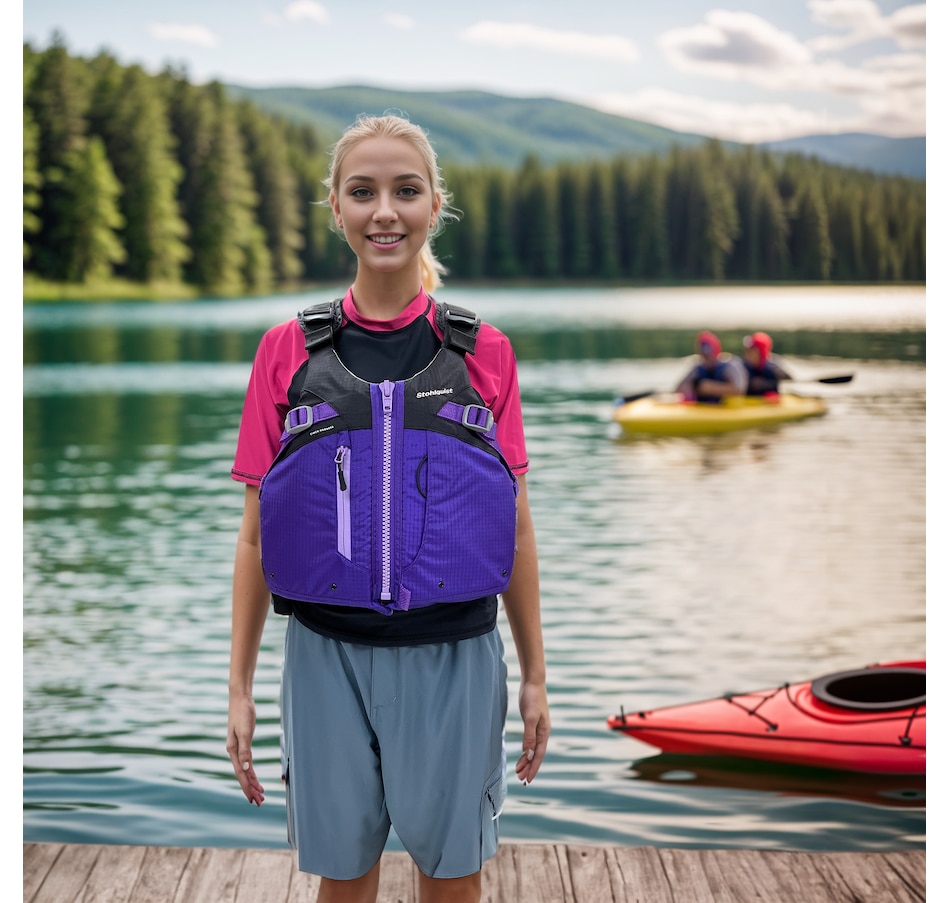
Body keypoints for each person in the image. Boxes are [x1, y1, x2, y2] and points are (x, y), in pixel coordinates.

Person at [226, 113, 550, 903]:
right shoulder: (285, 351)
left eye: (406, 191)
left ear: (434, 205)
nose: (384, 212)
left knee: (452, 878)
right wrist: (238, 686)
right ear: (335, 206)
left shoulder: (485, 351)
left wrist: (536, 675)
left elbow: (514, 521)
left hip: (455, 653)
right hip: (324, 656)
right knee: (341, 881)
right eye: (362, 191)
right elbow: (256, 536)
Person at [674, 330, 747, 402]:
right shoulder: (698, 368)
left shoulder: (729, 366)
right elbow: (678, 389)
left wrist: (710, 388)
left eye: (708, 354)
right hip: (704, 407)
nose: (706, 358)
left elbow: (740, 390)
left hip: (726, 407)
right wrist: (694, 387)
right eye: (703, 354)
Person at [742, 331, 793, 397]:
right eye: (747, 351)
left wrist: (764, 384)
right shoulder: (743, 366)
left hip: (771, 400)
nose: (747, 354)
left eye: (752, 351)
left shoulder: (774, 367)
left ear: (761, 352)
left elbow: (789, 381)